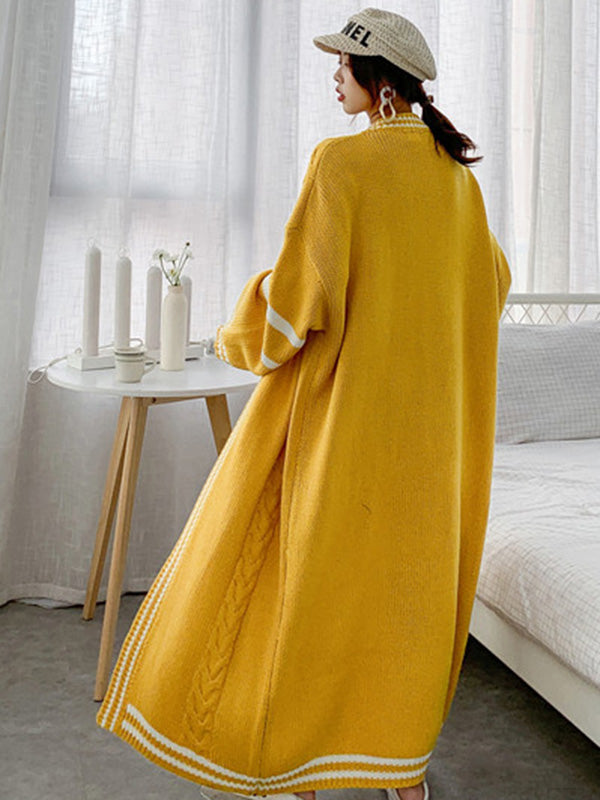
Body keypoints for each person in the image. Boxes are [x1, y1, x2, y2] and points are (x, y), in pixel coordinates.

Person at [96, 9, 511, 800]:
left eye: (342, 65)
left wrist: (237, 329)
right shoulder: (460, 182)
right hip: (432, 442)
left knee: (311, 594)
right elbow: (490, 287)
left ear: (377, 81)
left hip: (346, 429)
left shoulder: (340, 165)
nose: (333, 77)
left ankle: (297, 763)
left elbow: (291, 312)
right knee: (405, 601)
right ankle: (402, 772)